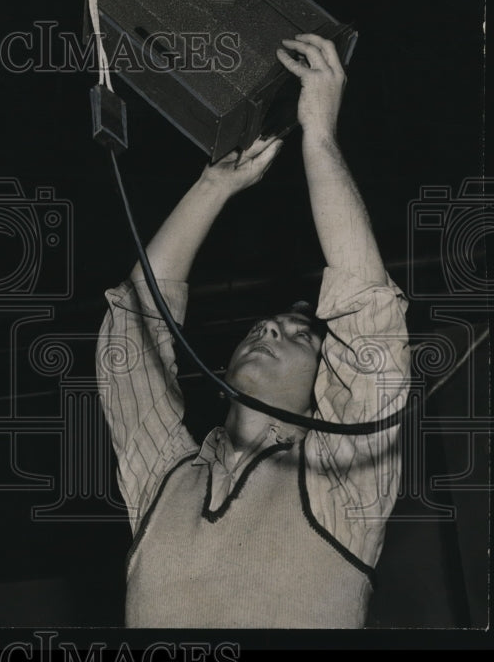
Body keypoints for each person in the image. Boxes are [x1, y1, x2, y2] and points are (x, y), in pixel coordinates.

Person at [96, 34, 410, 628]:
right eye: (268, 324)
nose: (269, 325)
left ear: (330, 390)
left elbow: (368, 312)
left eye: (301, 333)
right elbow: (130, 340)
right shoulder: (164, 483)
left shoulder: (343, 481)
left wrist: (318, 134)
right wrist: (214, 185)